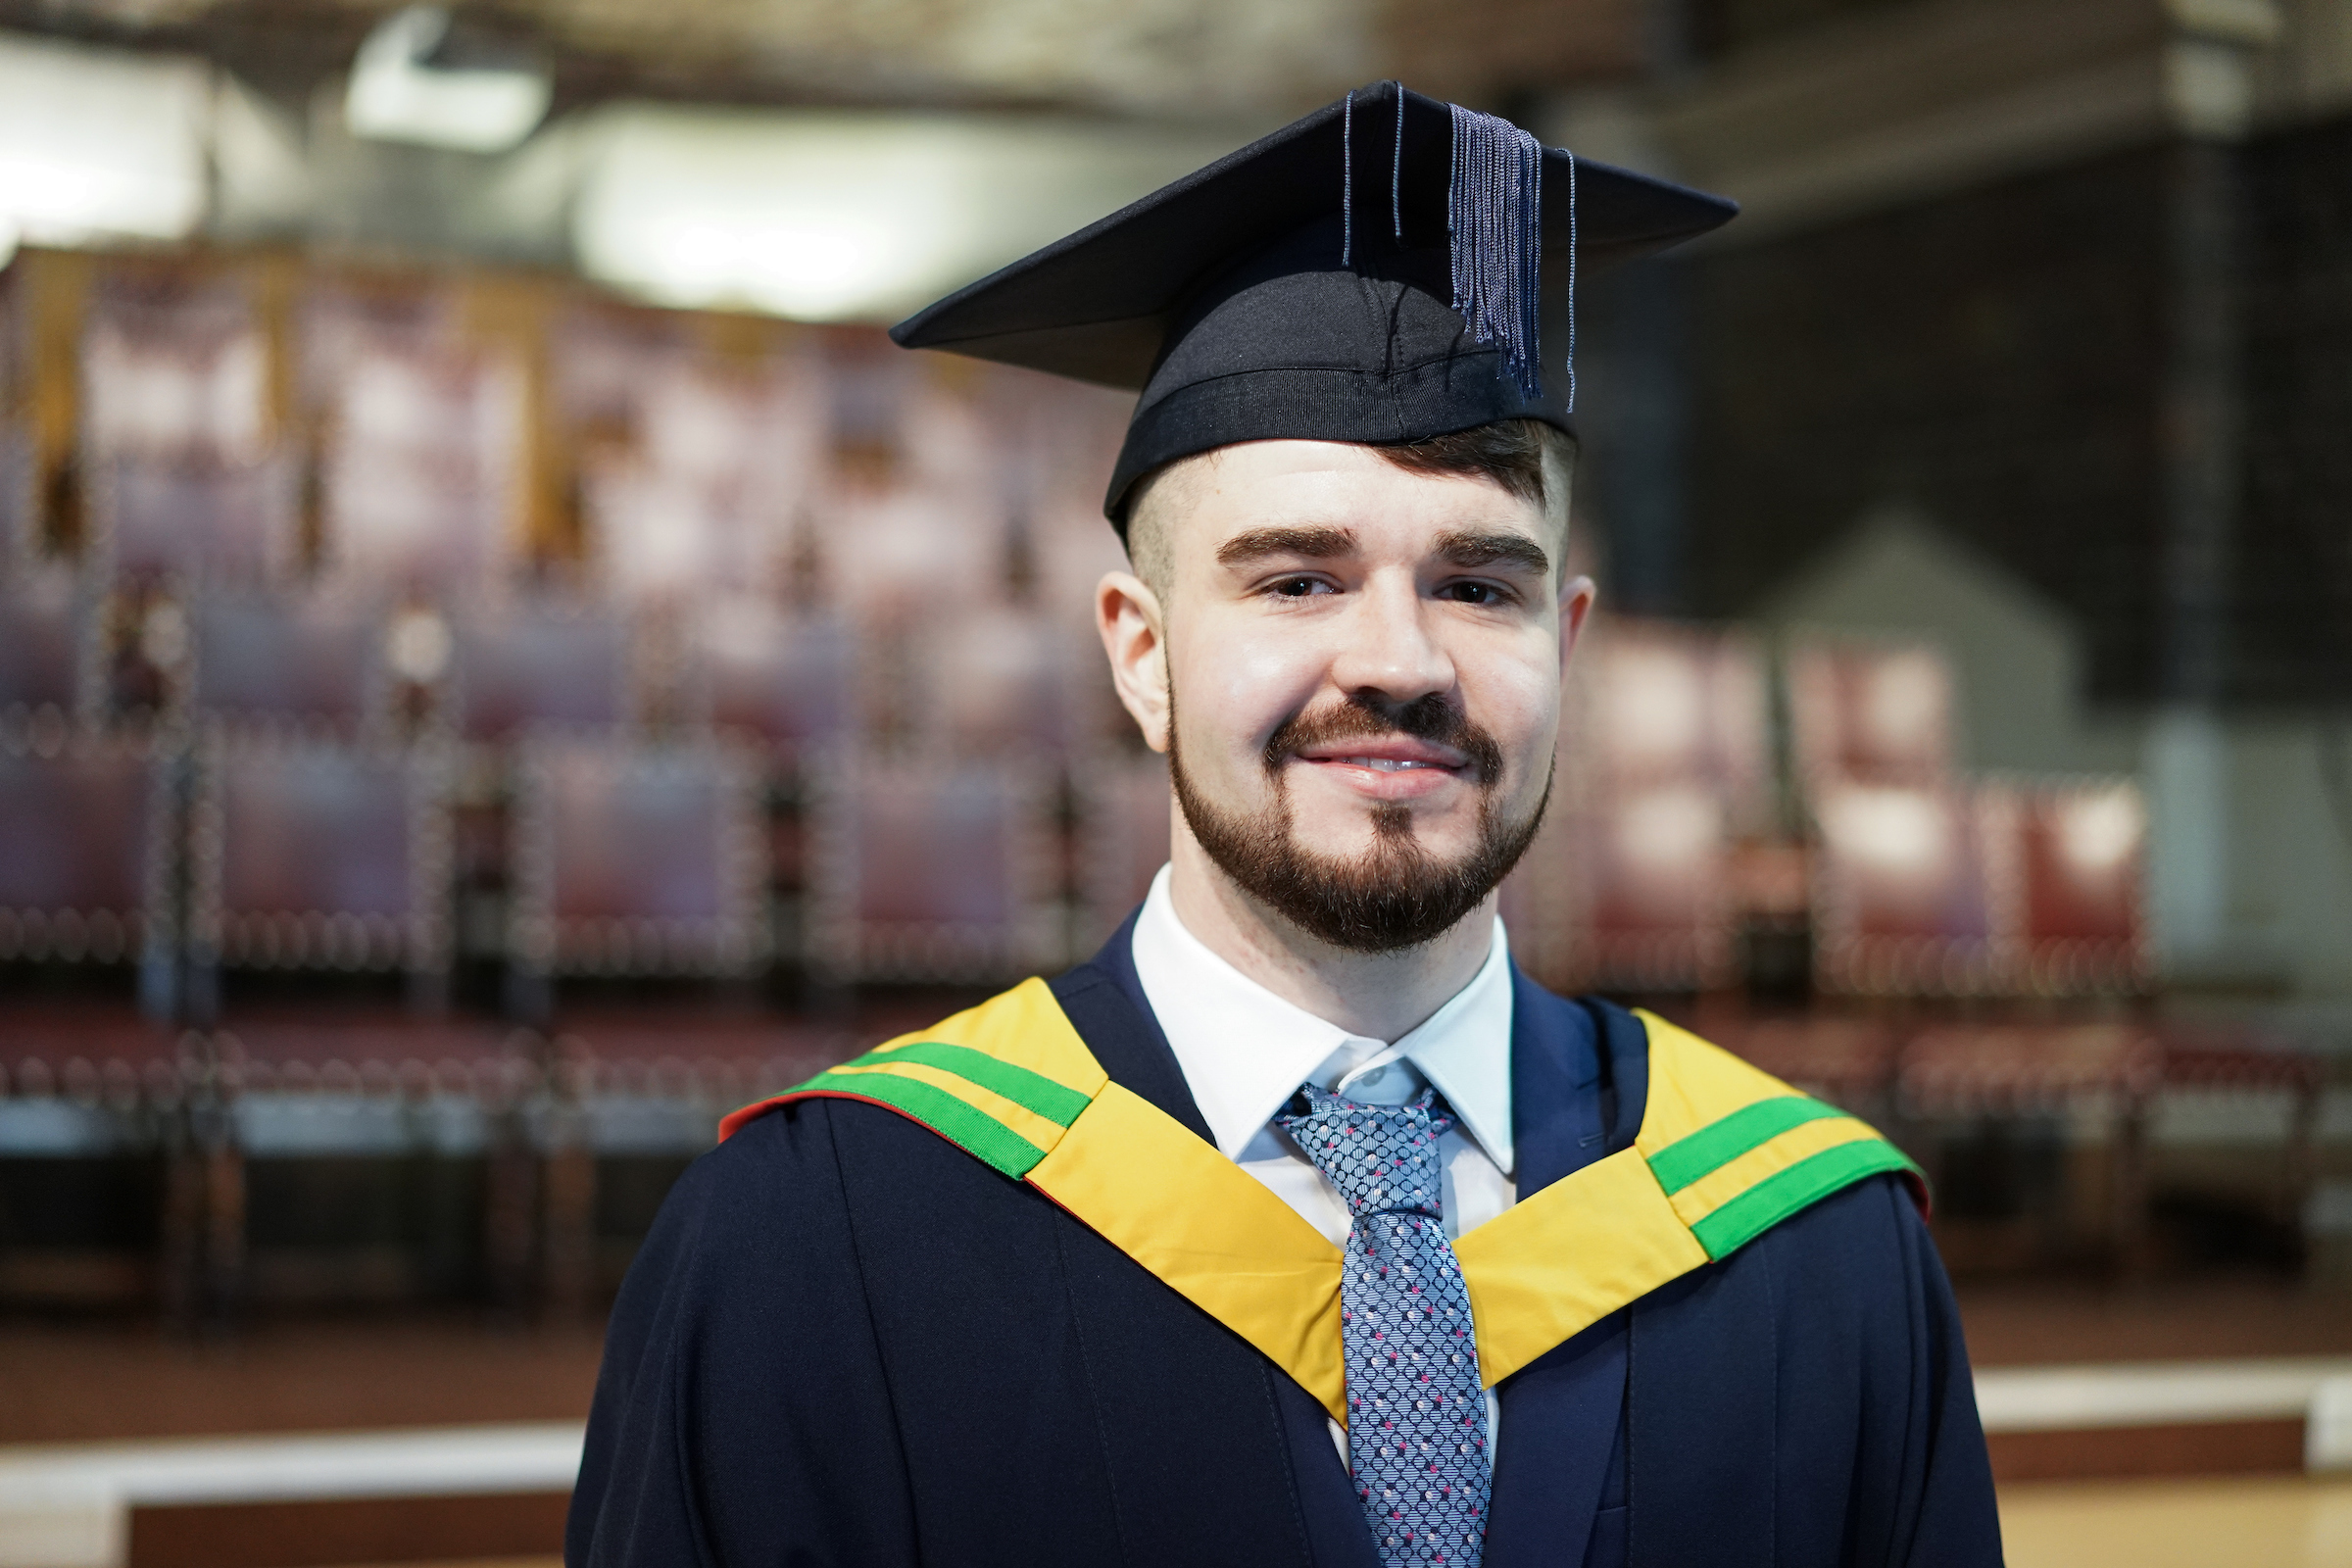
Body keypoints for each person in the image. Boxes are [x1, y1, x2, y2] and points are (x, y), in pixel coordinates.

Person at [567, 82, 2002, 1568]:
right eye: (1296, 580)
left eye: (1480, 583)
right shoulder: (819, 1249)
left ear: (1568, 647)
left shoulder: (1816, 1249)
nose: (1400, 660)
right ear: (1140, 651)